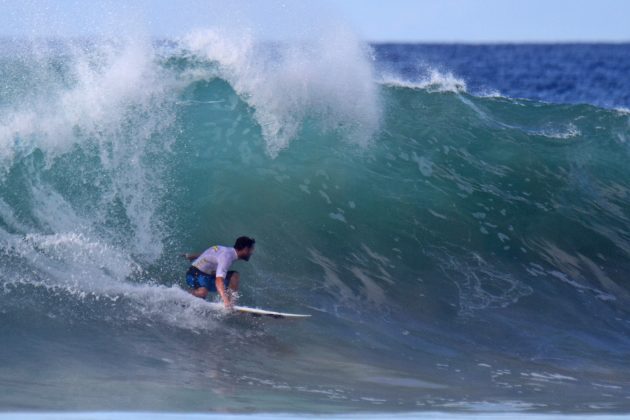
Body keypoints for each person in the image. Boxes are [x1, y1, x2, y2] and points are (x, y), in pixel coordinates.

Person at [183, 236, 255, 308]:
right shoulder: (227, 257)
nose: (252, 252)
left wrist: (192, 256)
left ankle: (232, 304)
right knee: (202, 293)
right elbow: (219, 280)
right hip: (194, 274)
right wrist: (225, 300)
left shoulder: (227, 251)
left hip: (208, 276)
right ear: (245, 249)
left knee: (234, 276)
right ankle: (180, 295)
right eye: (251, 250)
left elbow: (208, 255)